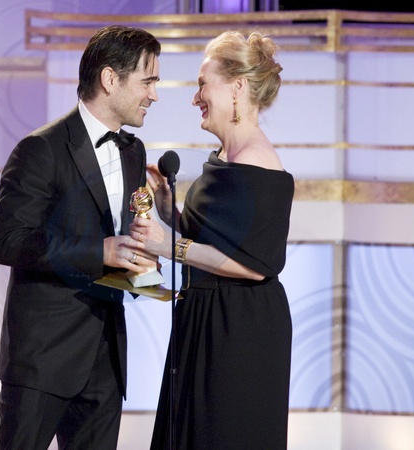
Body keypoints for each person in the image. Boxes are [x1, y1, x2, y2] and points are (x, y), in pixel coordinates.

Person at [0, 25, 161, 450]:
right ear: (109, 79)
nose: (154, 95)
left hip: (105, 358)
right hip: (43, 357)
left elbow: (123, 237)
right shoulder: (41, 149)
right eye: (147, 82)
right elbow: (8, 240)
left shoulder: (134, 151)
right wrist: (99, 251)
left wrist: (142, 262)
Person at [129, 31, 294, 449]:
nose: (195, 97)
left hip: (238, 328)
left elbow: (255, 265)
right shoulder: (225, 157)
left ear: (237, 87)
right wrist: (168, 209)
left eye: (203, 84)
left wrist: (169, 245)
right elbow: (215, 241)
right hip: (206, 316)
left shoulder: (259, 163)